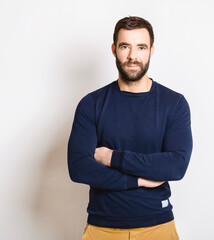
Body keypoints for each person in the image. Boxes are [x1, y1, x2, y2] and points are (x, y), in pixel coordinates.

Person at [68, 16, 193, 240]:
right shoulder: (92, 103)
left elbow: (176, 166)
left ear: (151, 50)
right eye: (125, 46)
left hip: (158, 226)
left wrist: (112, 157)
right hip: (102, 228)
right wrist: (138, 180)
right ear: (114, 49)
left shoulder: (173, 103)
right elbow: (79, 168)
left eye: (141, 47)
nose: (133, 56)